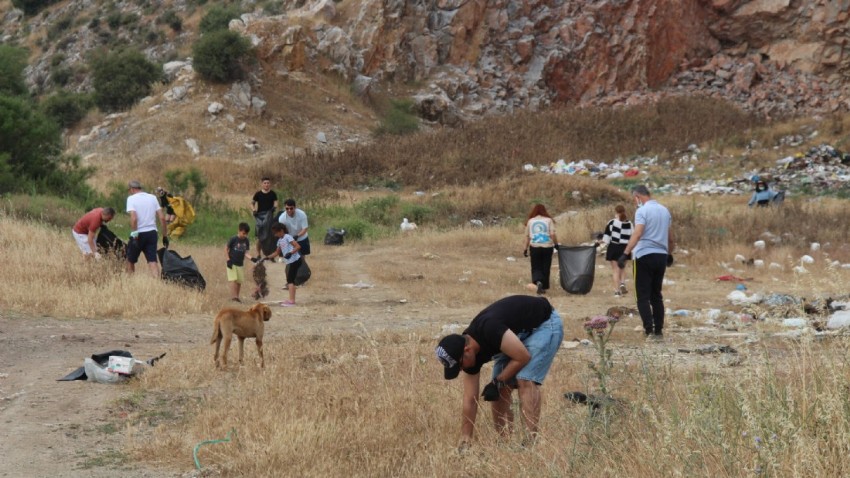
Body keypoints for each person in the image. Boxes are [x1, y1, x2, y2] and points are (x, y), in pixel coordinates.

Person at [435, 295, 564, 447]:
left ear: (467, 350)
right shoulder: (470, 356)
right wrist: (465, 438)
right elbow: (470, 399)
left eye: (460, 365)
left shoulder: (490, 329)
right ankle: (504, 443)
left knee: (525, 379)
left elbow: (523, 357)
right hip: (516, 335)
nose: (462, 369)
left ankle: (530, 443)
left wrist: (498, 381)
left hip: (544, 324)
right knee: (498, 390)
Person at [620, 185, 674, 340]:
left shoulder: (642, 211)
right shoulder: (665, 211)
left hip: (644, 255)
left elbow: (637, 234)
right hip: (661, 256)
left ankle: (648, 330)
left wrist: (625, 253)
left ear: (638, 196)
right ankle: (659, 330)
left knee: (642, 296)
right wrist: (669, 253)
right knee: (656, 295)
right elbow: (670, 237)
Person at [126, 180, 169, 276]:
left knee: (130, 260)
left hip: (139, 233)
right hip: (152, 233)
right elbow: (162, 218)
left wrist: (134, 235)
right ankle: (157, 283)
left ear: (132, 189)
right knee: (152, 260)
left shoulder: (131, 199)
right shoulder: (152, 198)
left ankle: (129, 282)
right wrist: (165, 236)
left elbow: (134, 218)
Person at [262, 223, 302, 307]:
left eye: (276, 232)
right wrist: (267, 257)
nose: (275, 234)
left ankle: (292, 301)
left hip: (295, 260)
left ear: (281, 231)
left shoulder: (288, 237)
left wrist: (290, 253)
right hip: (290, 262)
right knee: (291, 280)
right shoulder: (279, 241)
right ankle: (291, 299)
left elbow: (298, 246)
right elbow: (277, 252)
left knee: (290, 280)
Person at [597, 205, 633, 297]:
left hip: (614, 247)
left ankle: (617, 291)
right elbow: (632, 236)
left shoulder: (612, 222)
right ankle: (622, 283)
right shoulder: (629, 224)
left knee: (615, 270)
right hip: (625, 248)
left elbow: (606, 238)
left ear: (616, 212)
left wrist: (599, 242)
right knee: (622, 268)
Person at [522, 204, 558, 295]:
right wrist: (556, 244)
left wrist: (525, 249)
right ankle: (544, 286)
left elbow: (527, 237)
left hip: (534, 246)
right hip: (547, 246)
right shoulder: (549, 220)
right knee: (546, 266)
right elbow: (552, 234)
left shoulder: (530, 221)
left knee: (536, 266)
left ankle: (538, 282)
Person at [226, 222, 256, 302]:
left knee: (239, 281)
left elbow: (246, 253)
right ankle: (234, 297)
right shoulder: (233, 239)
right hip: (232, 262)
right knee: (234, 280)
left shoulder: (246, 241)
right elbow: (226, 249)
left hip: (240, 264)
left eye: (246, 234)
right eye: (243, 233)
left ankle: (237, 297)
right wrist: (228, 259)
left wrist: (252, 258)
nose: (245, 235)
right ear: (239, 231)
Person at [252, 177, 279, 256]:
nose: (266, 184)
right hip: (259, 217)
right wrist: (254, 210)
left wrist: (274, 208)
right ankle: (258, 254)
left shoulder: (273, 193)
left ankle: (270, 255)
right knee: (260, 237)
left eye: (268, 183)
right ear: (262, 184)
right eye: (265, 183)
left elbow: (276, 202)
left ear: (270, 184)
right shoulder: (258, 194)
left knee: (270, 236)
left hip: (269, 217)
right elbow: (252, 203)